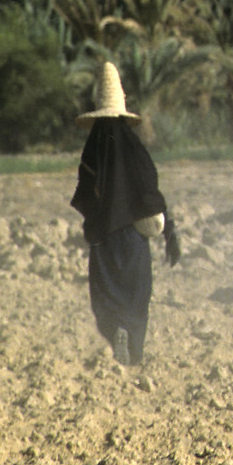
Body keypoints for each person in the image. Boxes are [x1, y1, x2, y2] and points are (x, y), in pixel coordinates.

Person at [70, 62, 179, 365]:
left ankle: (115, 332)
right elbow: (149, 191)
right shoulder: (133, 148)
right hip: (133, 237)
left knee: (105, 294)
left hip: (103, 238)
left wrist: (96, 223)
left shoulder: (92, 149)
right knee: (136, 294)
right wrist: (169, 230)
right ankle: (133, 350)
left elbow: (85, 194)